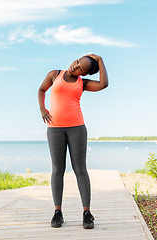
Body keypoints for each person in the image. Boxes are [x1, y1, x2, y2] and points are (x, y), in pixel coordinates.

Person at [37, 53, 108, 229]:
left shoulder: (82, 84)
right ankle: (57, 213)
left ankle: (87, 213)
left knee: (80, 170)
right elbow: (41, 90)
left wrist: (100, 60)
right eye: (77, 62)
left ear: (83, 73)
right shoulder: (55, 74)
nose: (75, 67)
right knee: (57, 169)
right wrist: (42, 109)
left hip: (77, 128)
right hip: (54, 129)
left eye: (81, 68)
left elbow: (103, 84)